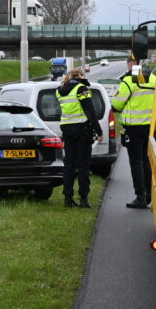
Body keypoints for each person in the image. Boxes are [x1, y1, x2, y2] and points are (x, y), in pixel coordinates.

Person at [112, 55, 156, 208]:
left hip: (133, 128)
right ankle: (150, 194)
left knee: (136, 162)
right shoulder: (152, 78)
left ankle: (140, 197)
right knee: (146, 161)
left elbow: (117, 105)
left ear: (131, 64)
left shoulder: (129, 80)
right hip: (149, 127)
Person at [56, 67, 102, 208]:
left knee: (69, 165)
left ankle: (68, 199)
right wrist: (99, 131)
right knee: (83, 166)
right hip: (82, 130)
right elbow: (90, 111)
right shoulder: (82, 89)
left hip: (67, 131)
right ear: (81, 75)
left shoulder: (59, 90)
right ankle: (83, 199)